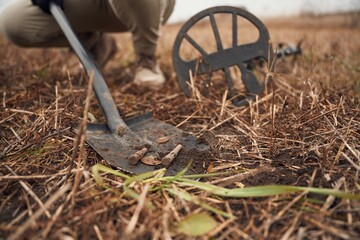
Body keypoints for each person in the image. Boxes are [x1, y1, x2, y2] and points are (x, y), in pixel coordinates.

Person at [0, 0, 176, 90]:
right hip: (91, 6)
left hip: (149, 6)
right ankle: (95, 43)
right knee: (12, 23)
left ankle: (147, 59)